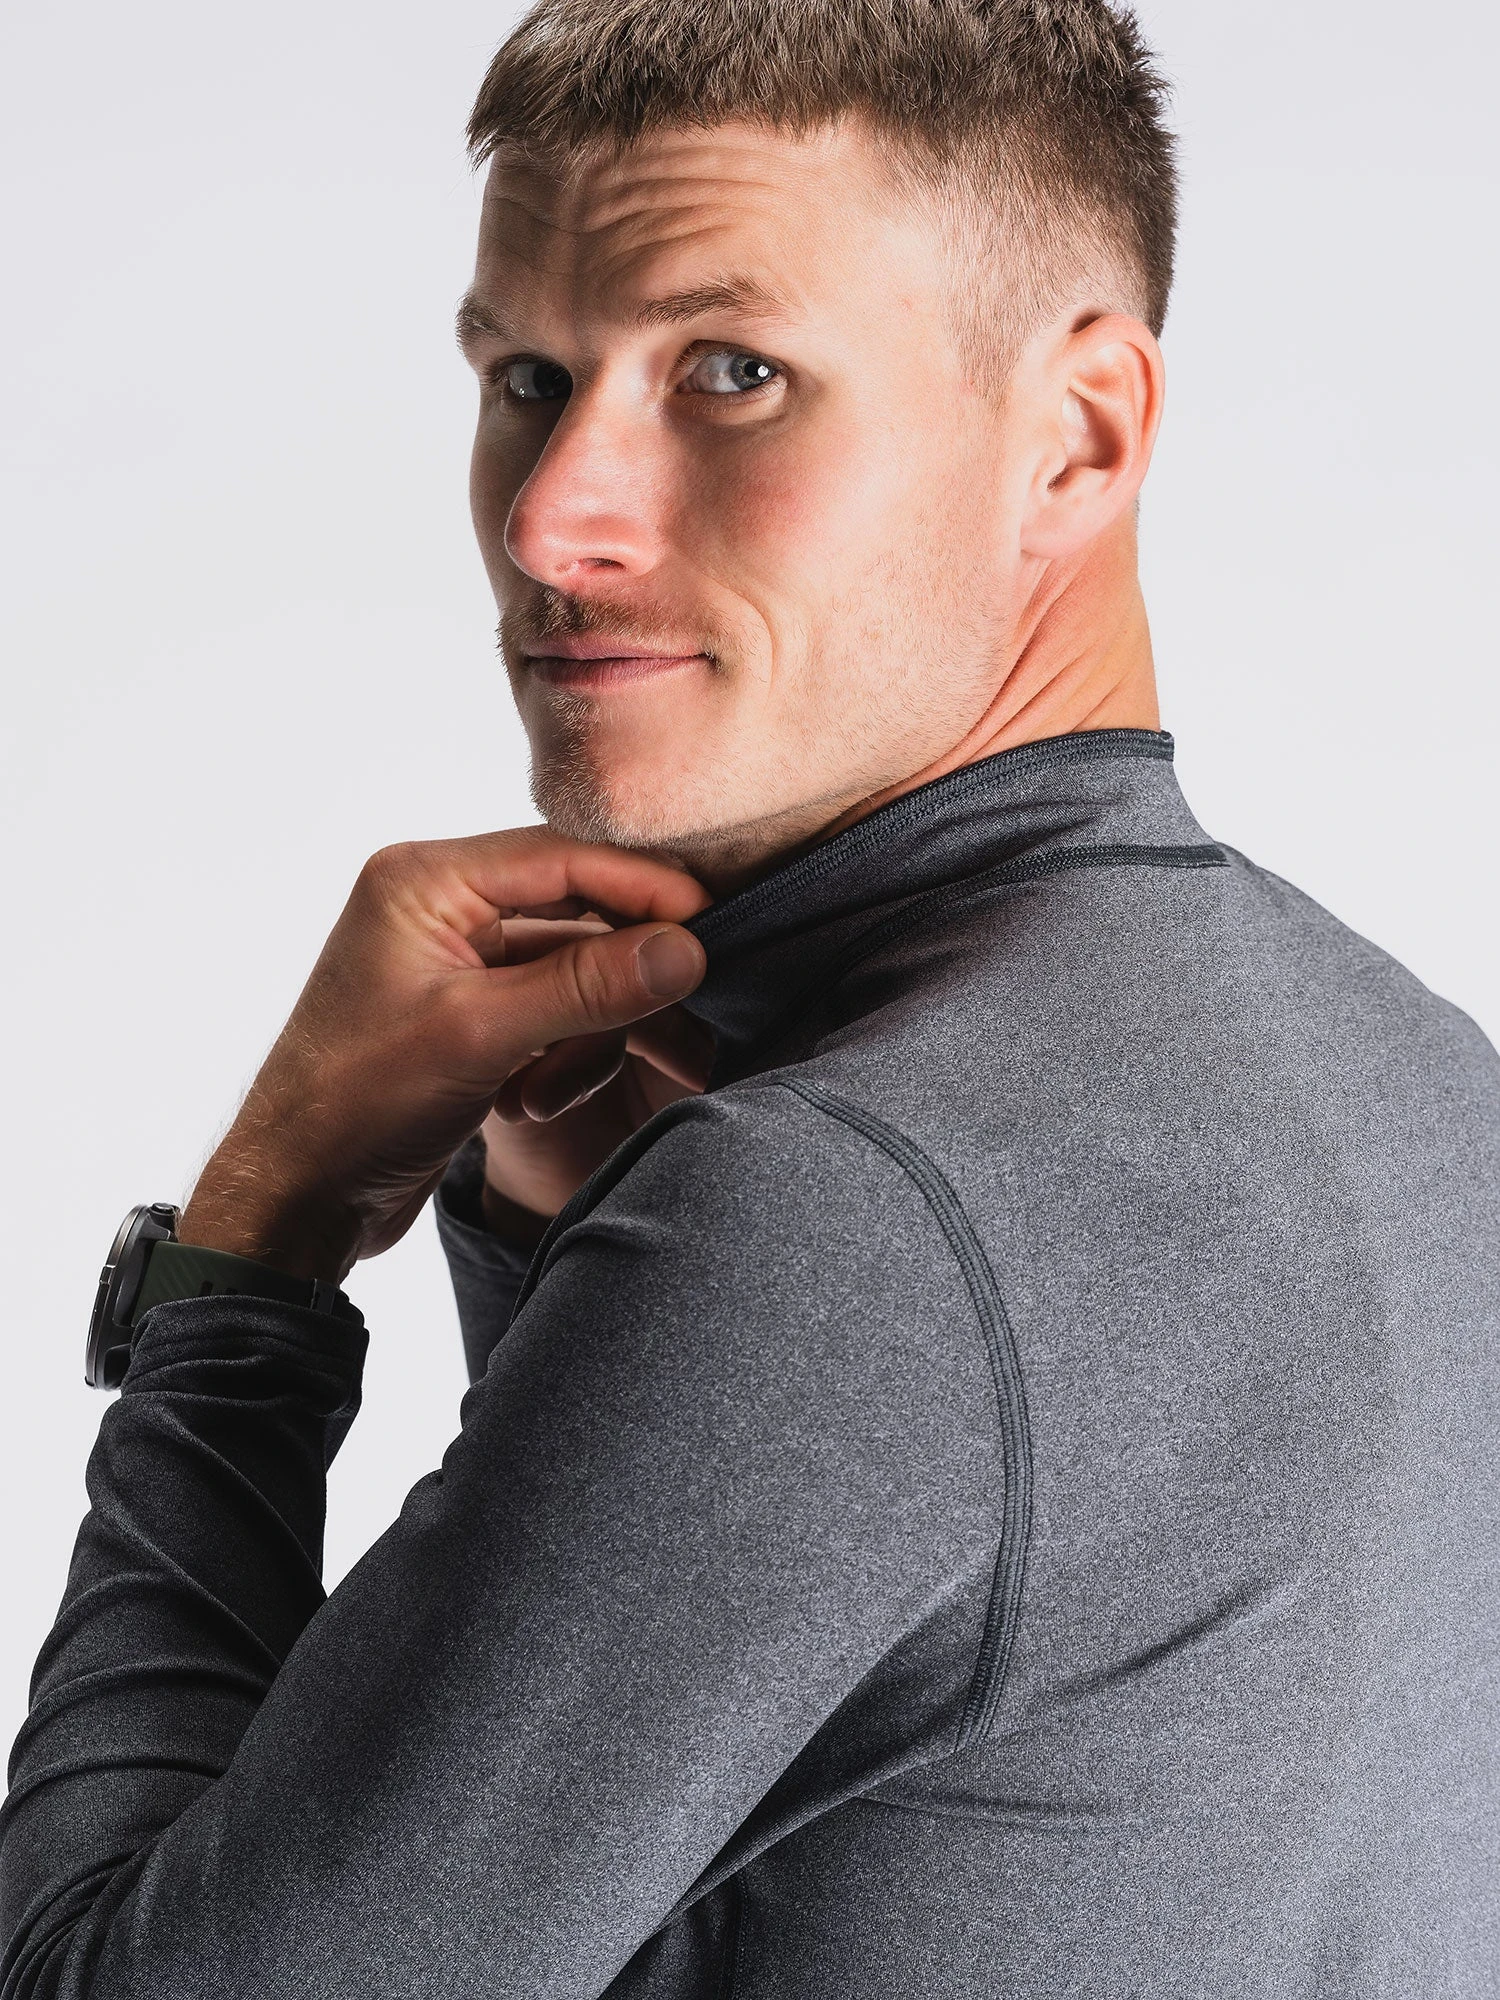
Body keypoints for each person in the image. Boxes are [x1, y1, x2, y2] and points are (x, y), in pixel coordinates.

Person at [3, 0, 1497, 1992]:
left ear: (1078, 435)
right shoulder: (1430, 1083)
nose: (552, 520)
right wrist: (555, 1249)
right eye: (528, 378)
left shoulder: (839, 1218)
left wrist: (251, 1266)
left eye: (734, 372)